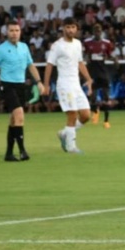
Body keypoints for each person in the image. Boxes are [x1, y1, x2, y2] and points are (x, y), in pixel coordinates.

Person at [0, 19, 44, 161]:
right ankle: (23, 151)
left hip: (21, 86)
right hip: (7, 86)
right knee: (19, 116)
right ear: (7, 32)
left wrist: (39, 82)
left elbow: (31, 65)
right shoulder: (1, 49)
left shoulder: (24, 47)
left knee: (14, 121)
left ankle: (8, 153)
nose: (14, 33)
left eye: (17, 30)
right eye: (11, 30)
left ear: (20, 32)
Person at [43, 17, 94, 155]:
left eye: (73, 27)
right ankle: (71, 146)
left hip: (76, 84)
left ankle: (64, 133)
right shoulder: (57, 46)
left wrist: (88, 79)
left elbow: (80, 63)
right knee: (72, 114)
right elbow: (49, 66)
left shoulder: (77, 44)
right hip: (64, 84)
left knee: (85, 115)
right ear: (63, 28)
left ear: (77, 29)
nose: (71, 30)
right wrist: (46, 85)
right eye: (68, 27)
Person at [83, 24, 118, 127]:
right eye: (95, 31)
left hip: (103, 72)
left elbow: (109, 55)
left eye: (99, 31)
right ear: (93, 32)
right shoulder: (87, 43)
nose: (97, 32)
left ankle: (106, 121)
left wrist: (114, 60)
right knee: (93, 97)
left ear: (101, 32)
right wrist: (86, 59)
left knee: (106, 97)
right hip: (92, 72)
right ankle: (96, 112)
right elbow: (85, 55)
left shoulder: (106, 43)